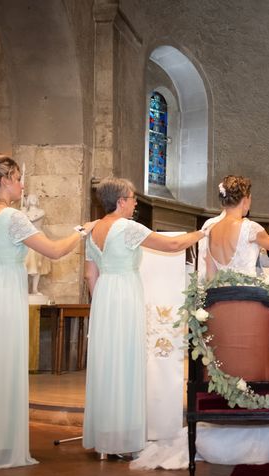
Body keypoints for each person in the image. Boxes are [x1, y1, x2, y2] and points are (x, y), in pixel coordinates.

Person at [131, 175, 269, 469]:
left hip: (219, 313)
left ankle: (224, 401)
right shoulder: (250, 228)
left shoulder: (208, 228)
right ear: (245, 200)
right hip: (251, 314)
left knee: (226, 356)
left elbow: (207, 274)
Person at [0, 153, 97, 468]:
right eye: (18, 179)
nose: (22, 185)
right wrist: (82, 230)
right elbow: (56, 251)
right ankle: (1, 445)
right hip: (4, 292)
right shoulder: (13, 217)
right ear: (5, 181)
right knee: (3, 364)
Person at [82, 177, 205, 458]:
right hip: (125, 294)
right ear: (121, 201)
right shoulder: (126, 227)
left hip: (103, 298)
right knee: (126, 363)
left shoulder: (93, 229)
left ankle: (104, 437)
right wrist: (199, 235)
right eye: (133, 197)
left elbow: (90, 275)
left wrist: (100, 303)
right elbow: (172, 246)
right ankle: (124, 440)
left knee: (107, 364)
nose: (136, 202)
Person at [22, 194, 51, 296]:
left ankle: (34, 289)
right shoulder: (24, 212)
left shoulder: (40, 212)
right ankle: (24, 288)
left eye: (35, 198)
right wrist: (24, 211)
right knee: (26, 263)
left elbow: (31, 219)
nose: (33, 200)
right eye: (31, 198)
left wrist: (24, 212)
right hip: (28, 238)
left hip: (38, 236)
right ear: (28, 201)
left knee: (38, 264)